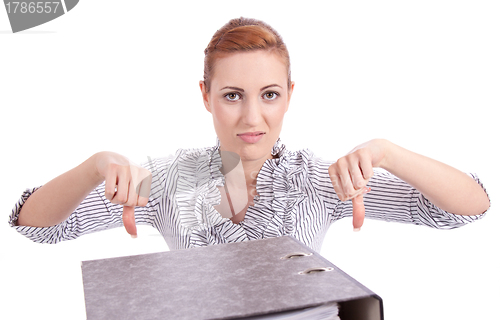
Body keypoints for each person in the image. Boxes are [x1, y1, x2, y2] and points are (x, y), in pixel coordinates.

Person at [9, 17, 490, 252]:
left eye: (270, 94)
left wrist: (385, 151)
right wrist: (97, 164)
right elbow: (38, 225)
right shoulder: (165, 181)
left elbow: (466, 208)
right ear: (206, 95)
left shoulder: (322, 182)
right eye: (233, 95)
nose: (252, 118)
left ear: (290, 94)